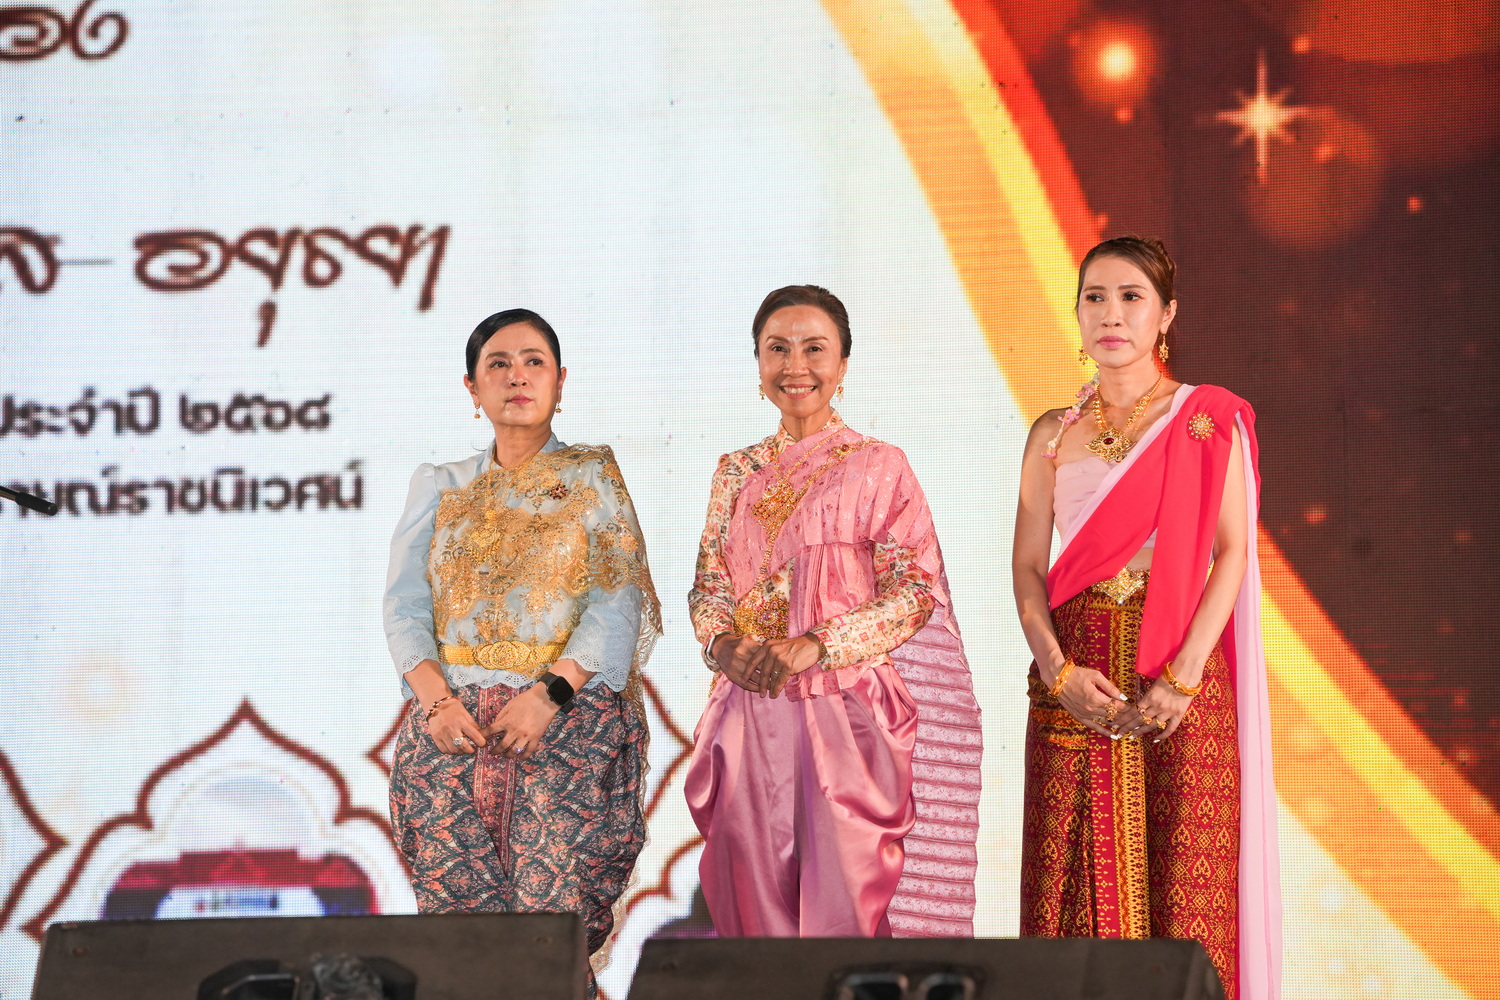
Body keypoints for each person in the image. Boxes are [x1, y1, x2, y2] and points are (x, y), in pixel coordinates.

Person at [1013, 237, 1279, 999]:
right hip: (1077, 677)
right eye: (1094, 297)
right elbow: (1028, 568)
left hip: (1181, 676)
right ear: (1077, 313)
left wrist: (1183, 678)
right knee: (1067, 891)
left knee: (1185, 885)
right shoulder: (1051, 434)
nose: (1111, 314)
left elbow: (1232, 553)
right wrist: (1057, 672)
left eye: (1131, 297)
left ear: (1166, 315)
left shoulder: (1206, 420)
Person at [684, 284, 983, 938]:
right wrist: (722, 646)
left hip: (847, 712)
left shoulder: (878, 465)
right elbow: (709, 585)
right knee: (751, 915)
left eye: (814, 349)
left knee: (842, 911)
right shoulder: (734, 472)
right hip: (749, 711)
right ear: (757, 362)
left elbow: (914, 591)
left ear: (843, 363)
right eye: (778, 348)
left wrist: (817, 644)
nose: (796, 366)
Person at [383, 308, 661, 975]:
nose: (517, 377)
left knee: (548, 941)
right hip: (450, 733)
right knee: (463, 949)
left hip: (564, 726)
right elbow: (404, 605)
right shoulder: (441, 484)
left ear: (560, 381)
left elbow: (616, 600)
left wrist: (548, 696)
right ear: (472, 387)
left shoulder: (592, 476)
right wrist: (436, 703)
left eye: (534, 362)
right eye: (498, 364)